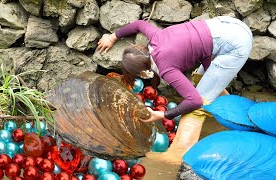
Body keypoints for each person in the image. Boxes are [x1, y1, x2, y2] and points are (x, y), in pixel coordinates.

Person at [97, 16, 253, 164]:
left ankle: (176, 156)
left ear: (144, 73)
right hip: (227, 26)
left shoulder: (166, 69)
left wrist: (164, 114)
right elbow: (139, 24)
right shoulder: (156, 37)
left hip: (234, 44)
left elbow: (195, 101)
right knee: (203, 83)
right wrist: (112, 37)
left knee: (198, 107)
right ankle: (241, 118)